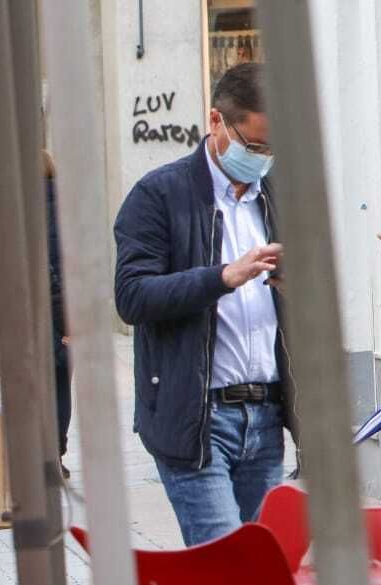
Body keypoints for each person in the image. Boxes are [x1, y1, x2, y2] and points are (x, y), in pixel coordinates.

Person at [114, 62, 288, 546]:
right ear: (216, 121)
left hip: (267, 415)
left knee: (262, 566)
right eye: (253, 146)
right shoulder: (159, 195)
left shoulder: (275, 196)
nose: (263, 157)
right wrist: (222, 277)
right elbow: (131, 296)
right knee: (226, 565)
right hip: (197, 418)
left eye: (273, 148)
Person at [0, 153, 73, 471]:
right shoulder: (19, 214)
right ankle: (45, 456)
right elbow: (45, 273)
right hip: (27, 319)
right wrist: (64, 323)